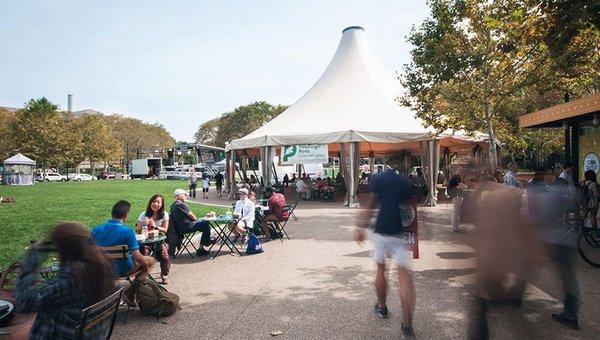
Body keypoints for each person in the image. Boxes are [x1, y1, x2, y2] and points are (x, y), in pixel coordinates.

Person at [14, 222, 116, 339]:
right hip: (90, 334)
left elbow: (25, 303)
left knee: (15, 334)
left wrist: (32, 260)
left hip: (64, 334)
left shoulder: (69, 279)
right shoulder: (101, 268)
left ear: (62, 250)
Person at [355, 169, 416, 338]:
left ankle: (382, 307)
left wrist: (361, 226)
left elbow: (370, 205)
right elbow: (412, 208)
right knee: (404, 277)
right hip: (400, 233)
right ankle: (408, 326)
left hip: (381, 233)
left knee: (381, 270)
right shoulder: (404, 181)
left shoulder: (379, 179)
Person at [527, 176, 580, 329]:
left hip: (555, 240)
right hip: (566, 239)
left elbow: (543, 218)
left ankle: (570, 315)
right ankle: (571, 312)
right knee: (570, 277)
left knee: (566, 277)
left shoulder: (550, 193)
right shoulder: (567, 193)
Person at [92, 200, 155, 278]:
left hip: (102, 268)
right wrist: (146, 263)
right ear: (126, 216)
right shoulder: (127, 231)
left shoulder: (96, 229)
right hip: (123, 269)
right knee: (151, 260)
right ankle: (135, 286)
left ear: (111, 214)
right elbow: (137, 257)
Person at [136, 194, 171, 284]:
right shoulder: (144, 214)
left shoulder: (164, 214)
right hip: (145, 242)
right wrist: (144, 224)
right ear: (150, 203)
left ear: (161, 204)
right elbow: (137, 230)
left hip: (159, 241)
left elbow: (165, 230)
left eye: (158, 202)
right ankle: (144, 275)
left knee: (165, 257)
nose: (155, 204)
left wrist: (155, 226)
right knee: (144, 254)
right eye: (154, 201)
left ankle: (164, 274)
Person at [169, 189, 216, 256]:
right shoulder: (181, 205)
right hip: (187, 227)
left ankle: (204, 245)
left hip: (179, 229)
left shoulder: (173, 206)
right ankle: (204, 244)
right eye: (185, 195)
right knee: (206, 224)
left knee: (203, 224)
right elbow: (193, 217)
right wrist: (201, 219)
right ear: (180, 196)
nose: (186, 197)